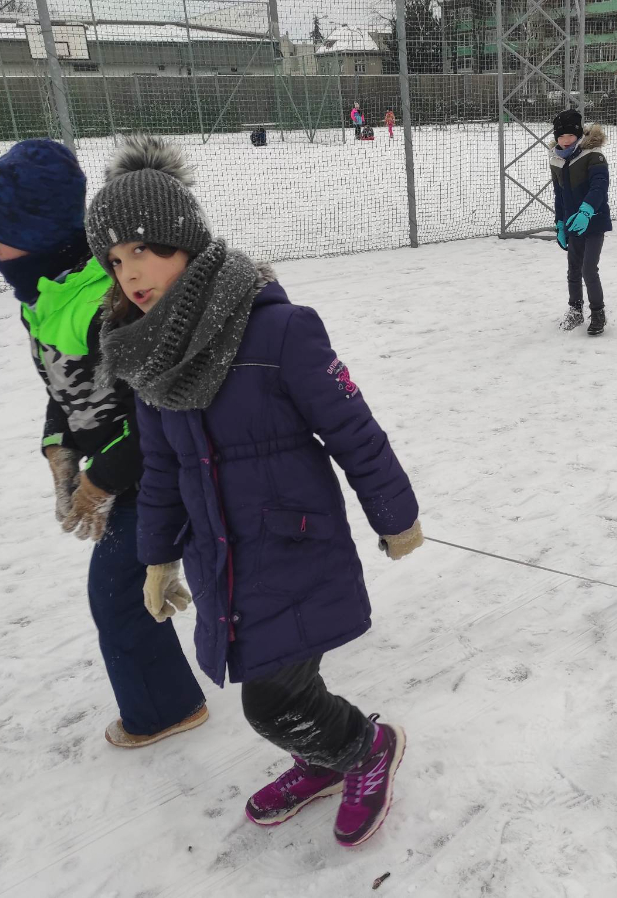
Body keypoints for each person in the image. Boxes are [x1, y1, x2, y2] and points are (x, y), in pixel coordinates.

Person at [86, 134, 423, 847]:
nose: (130, 272)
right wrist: (157, 557)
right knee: (278, 685)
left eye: (141, 249)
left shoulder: (279, 331)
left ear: (183, 239)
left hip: (295, 548)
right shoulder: (149, 358)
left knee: (271, 700)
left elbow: (352, 428)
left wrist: (395, 515)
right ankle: (322, 756)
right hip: (223, 559)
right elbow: (163, 469)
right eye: (114, 260)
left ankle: (364, 748)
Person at [0, 139, 207, 747]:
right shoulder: (45, 299)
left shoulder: (108, 304)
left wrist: (101, 479)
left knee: (117, 593)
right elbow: (66, 388)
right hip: (118, 469)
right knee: (129, 586)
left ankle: (166, 710)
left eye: (0, 235)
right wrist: (59, 449)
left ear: (39, 234)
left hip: (156, 469)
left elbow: (158, 412)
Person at [550, 109, 612, 336]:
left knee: (588, 269)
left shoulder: (593, 155)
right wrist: (560, 223)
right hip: (572, 222)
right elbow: (559, 195)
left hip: (593, 221)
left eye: (570, 135)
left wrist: (586, 212)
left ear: (578, 134)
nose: (565, 140)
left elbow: (599, 187)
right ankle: (575, 310)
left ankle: (598, 312)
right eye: (561, 136)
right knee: (573, 269)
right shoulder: (557, 160)